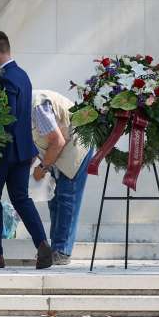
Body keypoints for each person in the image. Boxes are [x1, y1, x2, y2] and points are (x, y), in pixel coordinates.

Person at [0, 30, 53, 269]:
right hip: (23, 151)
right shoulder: (23, 75)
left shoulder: (5, 78)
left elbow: (8, 116)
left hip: (2, 151)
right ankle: (42, 243)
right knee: (21, 198)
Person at [31, 89, 94, 265]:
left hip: (76, 144)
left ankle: (62, 251)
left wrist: (43, 168)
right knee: (54, 199)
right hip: (60, 147)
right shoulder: (22, 107)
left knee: (67, 196)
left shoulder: (37, 106)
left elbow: (57, 141)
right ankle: (55, 249)